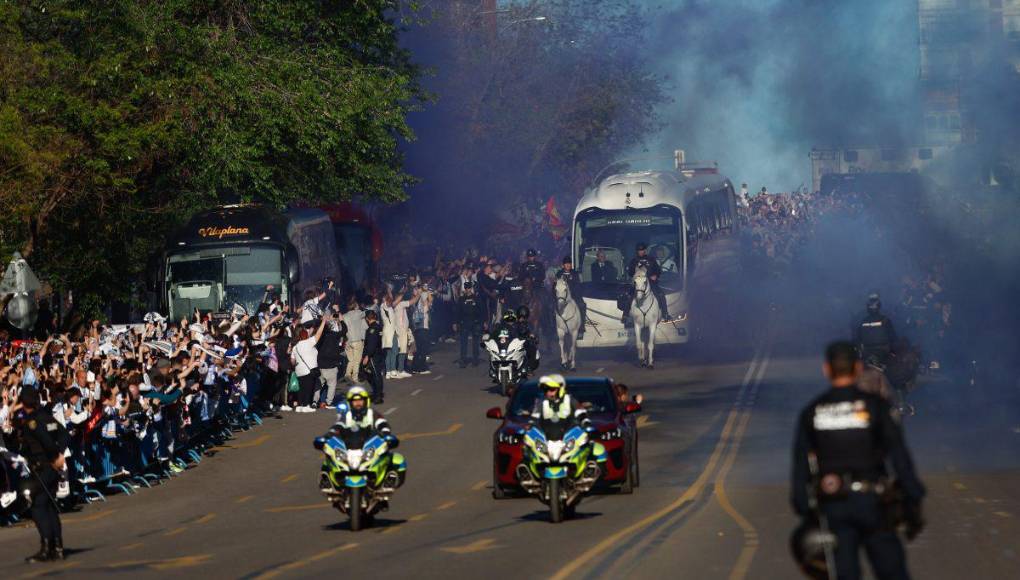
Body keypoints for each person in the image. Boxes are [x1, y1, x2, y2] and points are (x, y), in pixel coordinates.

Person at [791, 341, 925, 580]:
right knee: (892, 571)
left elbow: (800, 468)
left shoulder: (812, 411)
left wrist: (806, 511)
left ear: (827, 369)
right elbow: (899, 456)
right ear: (857, 368)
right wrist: (913, 497)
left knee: (845, 573)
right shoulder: (876, 407)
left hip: (835, 506)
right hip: (874, 504)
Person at [13, 388, 66, 562]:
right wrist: (61, 453)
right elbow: (63, 433)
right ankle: (57, 547)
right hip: (51, 467)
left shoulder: (33, 422)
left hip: (44, 466)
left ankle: (46, 547)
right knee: (49, 504)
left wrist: (55, 455)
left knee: (38, 505)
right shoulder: (47, 417)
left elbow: (46, 441)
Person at [291, 313, 330, 413]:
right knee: (309, 389)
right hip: (309, 371)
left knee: (302, 389)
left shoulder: (295, 347)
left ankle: (300, 405)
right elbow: (318, 334)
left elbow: (292, 361)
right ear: (304, 334)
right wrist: (323, 322)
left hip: (299, 371)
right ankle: (307, 406)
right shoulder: (309, 342)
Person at [623, 243, 672, 322]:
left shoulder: (651, 259)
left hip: (650, 282)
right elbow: (630, 273)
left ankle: (665, 314)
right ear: (637, 251)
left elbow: (658, 270)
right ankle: (625, 315)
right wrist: (635, 274)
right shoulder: (634, 260)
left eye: (642, 250)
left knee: (660, 294)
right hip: (638, 283)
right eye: (639, 250)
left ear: (645, 250)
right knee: (629, 295)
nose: (641, 252)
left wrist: (655, 275)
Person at [528, 374, 592, 431]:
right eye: (546, 390)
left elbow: (581, 413)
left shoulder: (570, 400)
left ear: (561, 389)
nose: (548, 392)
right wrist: (529, 425)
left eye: (552, 389)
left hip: (569, 438)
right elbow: (534, 417)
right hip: (546, 438)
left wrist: (585, 422)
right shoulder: (542, 402)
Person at [852, 293, 897, 366]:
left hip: (867, 353)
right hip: (883, 353)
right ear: (879, 307)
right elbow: (893, 338)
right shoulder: (886, 320)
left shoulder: (862, 321)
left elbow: (857, 339)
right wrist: (893, 352)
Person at [554, 256, 587, 339]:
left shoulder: (575, 273)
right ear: (563, 265)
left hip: (574, 296)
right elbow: (556, 286)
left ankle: (581, 328)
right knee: (552, 306)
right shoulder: (559, 273)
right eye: (566, 264)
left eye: (569, 264)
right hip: (561, 296)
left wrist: (573, 293)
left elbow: (578, 286)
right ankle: (554, 329)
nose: (568, 265)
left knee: (582, 305)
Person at [454, 281, 484, 368]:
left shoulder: (476, 298)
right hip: (464, 322)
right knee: (463, 342)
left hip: (475, 322)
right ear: (465, 289)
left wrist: (483, 321)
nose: (468, 290)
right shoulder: (461, 299)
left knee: (475, 342)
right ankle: (463, 359)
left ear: (471, 288)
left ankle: (475, 359)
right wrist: (455, 322)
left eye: (469, 288)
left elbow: (481, 310)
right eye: (466, 288)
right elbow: (457, 312)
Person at [361, 310, 385, 404]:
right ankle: (376, 393)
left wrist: (367, 356)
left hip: (373, 355)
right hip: (378, 353)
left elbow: (371, 344)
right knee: (372, 374)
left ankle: (378, 395)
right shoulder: (378, 327)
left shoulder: (372, 329)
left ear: (367, 318)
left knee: (375, 375)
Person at [342, 298, 367, 384]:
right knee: (357, 361)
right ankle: (355, 378)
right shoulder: (358, 313)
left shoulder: (344, 316)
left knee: (351, 360)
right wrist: (362, 308)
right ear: (355, 306)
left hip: (347, 341)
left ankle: (347, 375)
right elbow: (367, 313)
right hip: (357, 340)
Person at [515, 305, 539, 372]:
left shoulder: (527, 324)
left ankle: (529, 368)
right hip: (514, 342)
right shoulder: (513, 323)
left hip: (524, 342)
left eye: (524, 317)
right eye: (521, 317)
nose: (522, 319)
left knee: (532, 348)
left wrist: (533, 336)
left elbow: (531, 333)